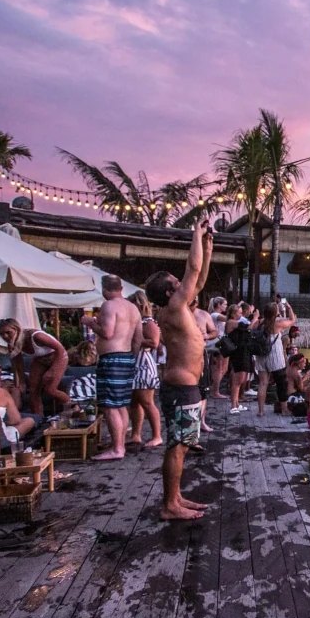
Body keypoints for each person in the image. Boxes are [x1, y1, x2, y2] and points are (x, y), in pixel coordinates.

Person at [145, 222, 213, 520]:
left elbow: (198, 280)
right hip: (181, 387)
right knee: (177, 446)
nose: (182, 280)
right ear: (170, 289)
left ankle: (175, 497)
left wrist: (208, 248)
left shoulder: (178, 306)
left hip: (186, 386)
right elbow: (193, 271)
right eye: (177, 279)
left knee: (181, 445)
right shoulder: (173, 306)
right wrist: (196, 236)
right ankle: (169, 506)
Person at [79, 276, 142, 461]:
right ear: (121, 287)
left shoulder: (109, 305)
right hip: (127, 357)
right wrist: (132, 357)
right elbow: (138, 338)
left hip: (111, 359)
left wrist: (90, 322)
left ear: (104, 289)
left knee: (109, 406)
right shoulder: (133, 308)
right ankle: (119, 443)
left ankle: (117, 449)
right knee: (121, 404)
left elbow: (107, 333)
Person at [0, 318, 70, 416]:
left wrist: (53, 370)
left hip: (58, 356)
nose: (5, 336)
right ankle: (37, 417)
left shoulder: (36, 336)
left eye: (8, 332)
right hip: (39, 360)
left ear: (17, 329)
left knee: (50, 389)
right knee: (33, 391)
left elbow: (61, 350)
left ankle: (71, 405)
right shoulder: (12, 344)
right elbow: (18, 364)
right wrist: (21, 382)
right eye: (2, 334)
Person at [128, 291, 163, 448]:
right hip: (135, 363)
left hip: (144, 363)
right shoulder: (137, 322)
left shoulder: (148, 322)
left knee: (147, 401)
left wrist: (136, 339)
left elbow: (154, 342)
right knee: (134, 401)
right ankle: (136, 434)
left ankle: (157, 435)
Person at [253, 301, 296, 417]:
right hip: (275, 356)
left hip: (261, 355)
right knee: (281, 384)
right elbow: (292, 320)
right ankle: (284, 410)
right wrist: (289, 308)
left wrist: (256, 317)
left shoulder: (260, 323)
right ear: (275, 312)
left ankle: (261, 411)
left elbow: (250, 328)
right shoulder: (278, 324)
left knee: (263, 384)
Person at [192, 297, 219, 435]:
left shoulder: (203, 314)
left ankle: (201, 421)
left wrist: (207, 336)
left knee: (203, 389)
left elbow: (215, 332)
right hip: (184, 356)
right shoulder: (178, 313)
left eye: (195, 300)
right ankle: (190, 423)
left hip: (200, 354)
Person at [225, 305, 253, 414]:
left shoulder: (236, 322)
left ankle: (236, 403)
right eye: (239, 313)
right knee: (238, 380)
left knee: (241, 380)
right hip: (238, 353)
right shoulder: (231, 322)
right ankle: (233, 405)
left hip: (243, 351)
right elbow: (249, 327)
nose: (241, 315)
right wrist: (255, 317)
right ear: (233, 313)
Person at [207, 297, 230, 400]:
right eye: (224, 304)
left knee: (223, 368)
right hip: (217, 342)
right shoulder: (215, 315)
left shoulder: (216, 315)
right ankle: (215, 391)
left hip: (220, 341)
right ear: (219, 305)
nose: (226, 306)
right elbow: (229, 318)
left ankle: (214, 388)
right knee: (219, 368)